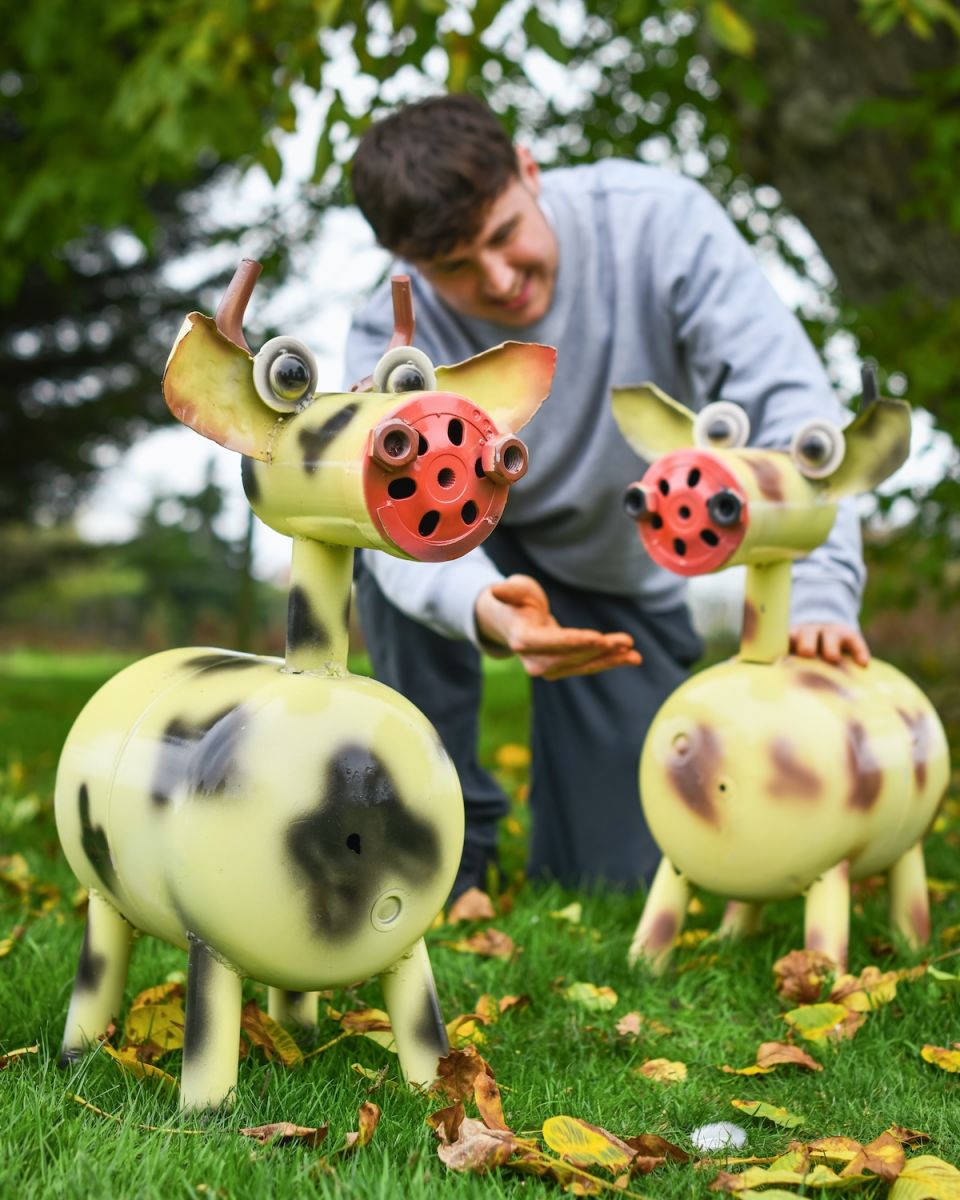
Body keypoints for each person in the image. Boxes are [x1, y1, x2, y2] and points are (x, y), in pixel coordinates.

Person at [343, 94, 871, 899]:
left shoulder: (661, 223)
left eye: (504, 235)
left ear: (529, 170)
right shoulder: (390, 330)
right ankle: (440, 841)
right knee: (375, 522)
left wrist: (821, 598)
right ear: (405, 260)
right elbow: (385, 512)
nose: (498, 279)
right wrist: (486, 608)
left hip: (617, 567)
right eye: (454, 268)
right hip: (478, 547)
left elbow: (794, 414)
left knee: (613, 875)